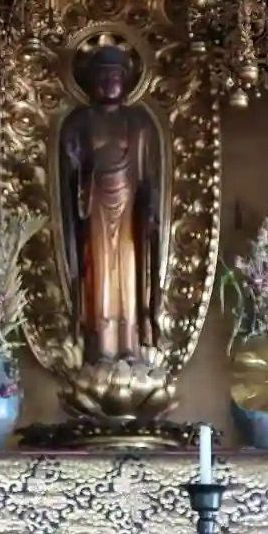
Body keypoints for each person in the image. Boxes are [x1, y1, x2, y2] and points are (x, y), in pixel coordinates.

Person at [58, 44, 161, 362]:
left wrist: (150, 206)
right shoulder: (80, 121)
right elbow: (69, 166)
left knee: (128, 273)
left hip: (129, 208)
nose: (108, 83)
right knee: (99, 270)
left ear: (126, 80)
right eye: (101, 77)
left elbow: (149, 174)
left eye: (114, 76)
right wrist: (78, 168)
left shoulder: (139, 122)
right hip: (93, 204)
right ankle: (100, 343)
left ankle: (129, 343)